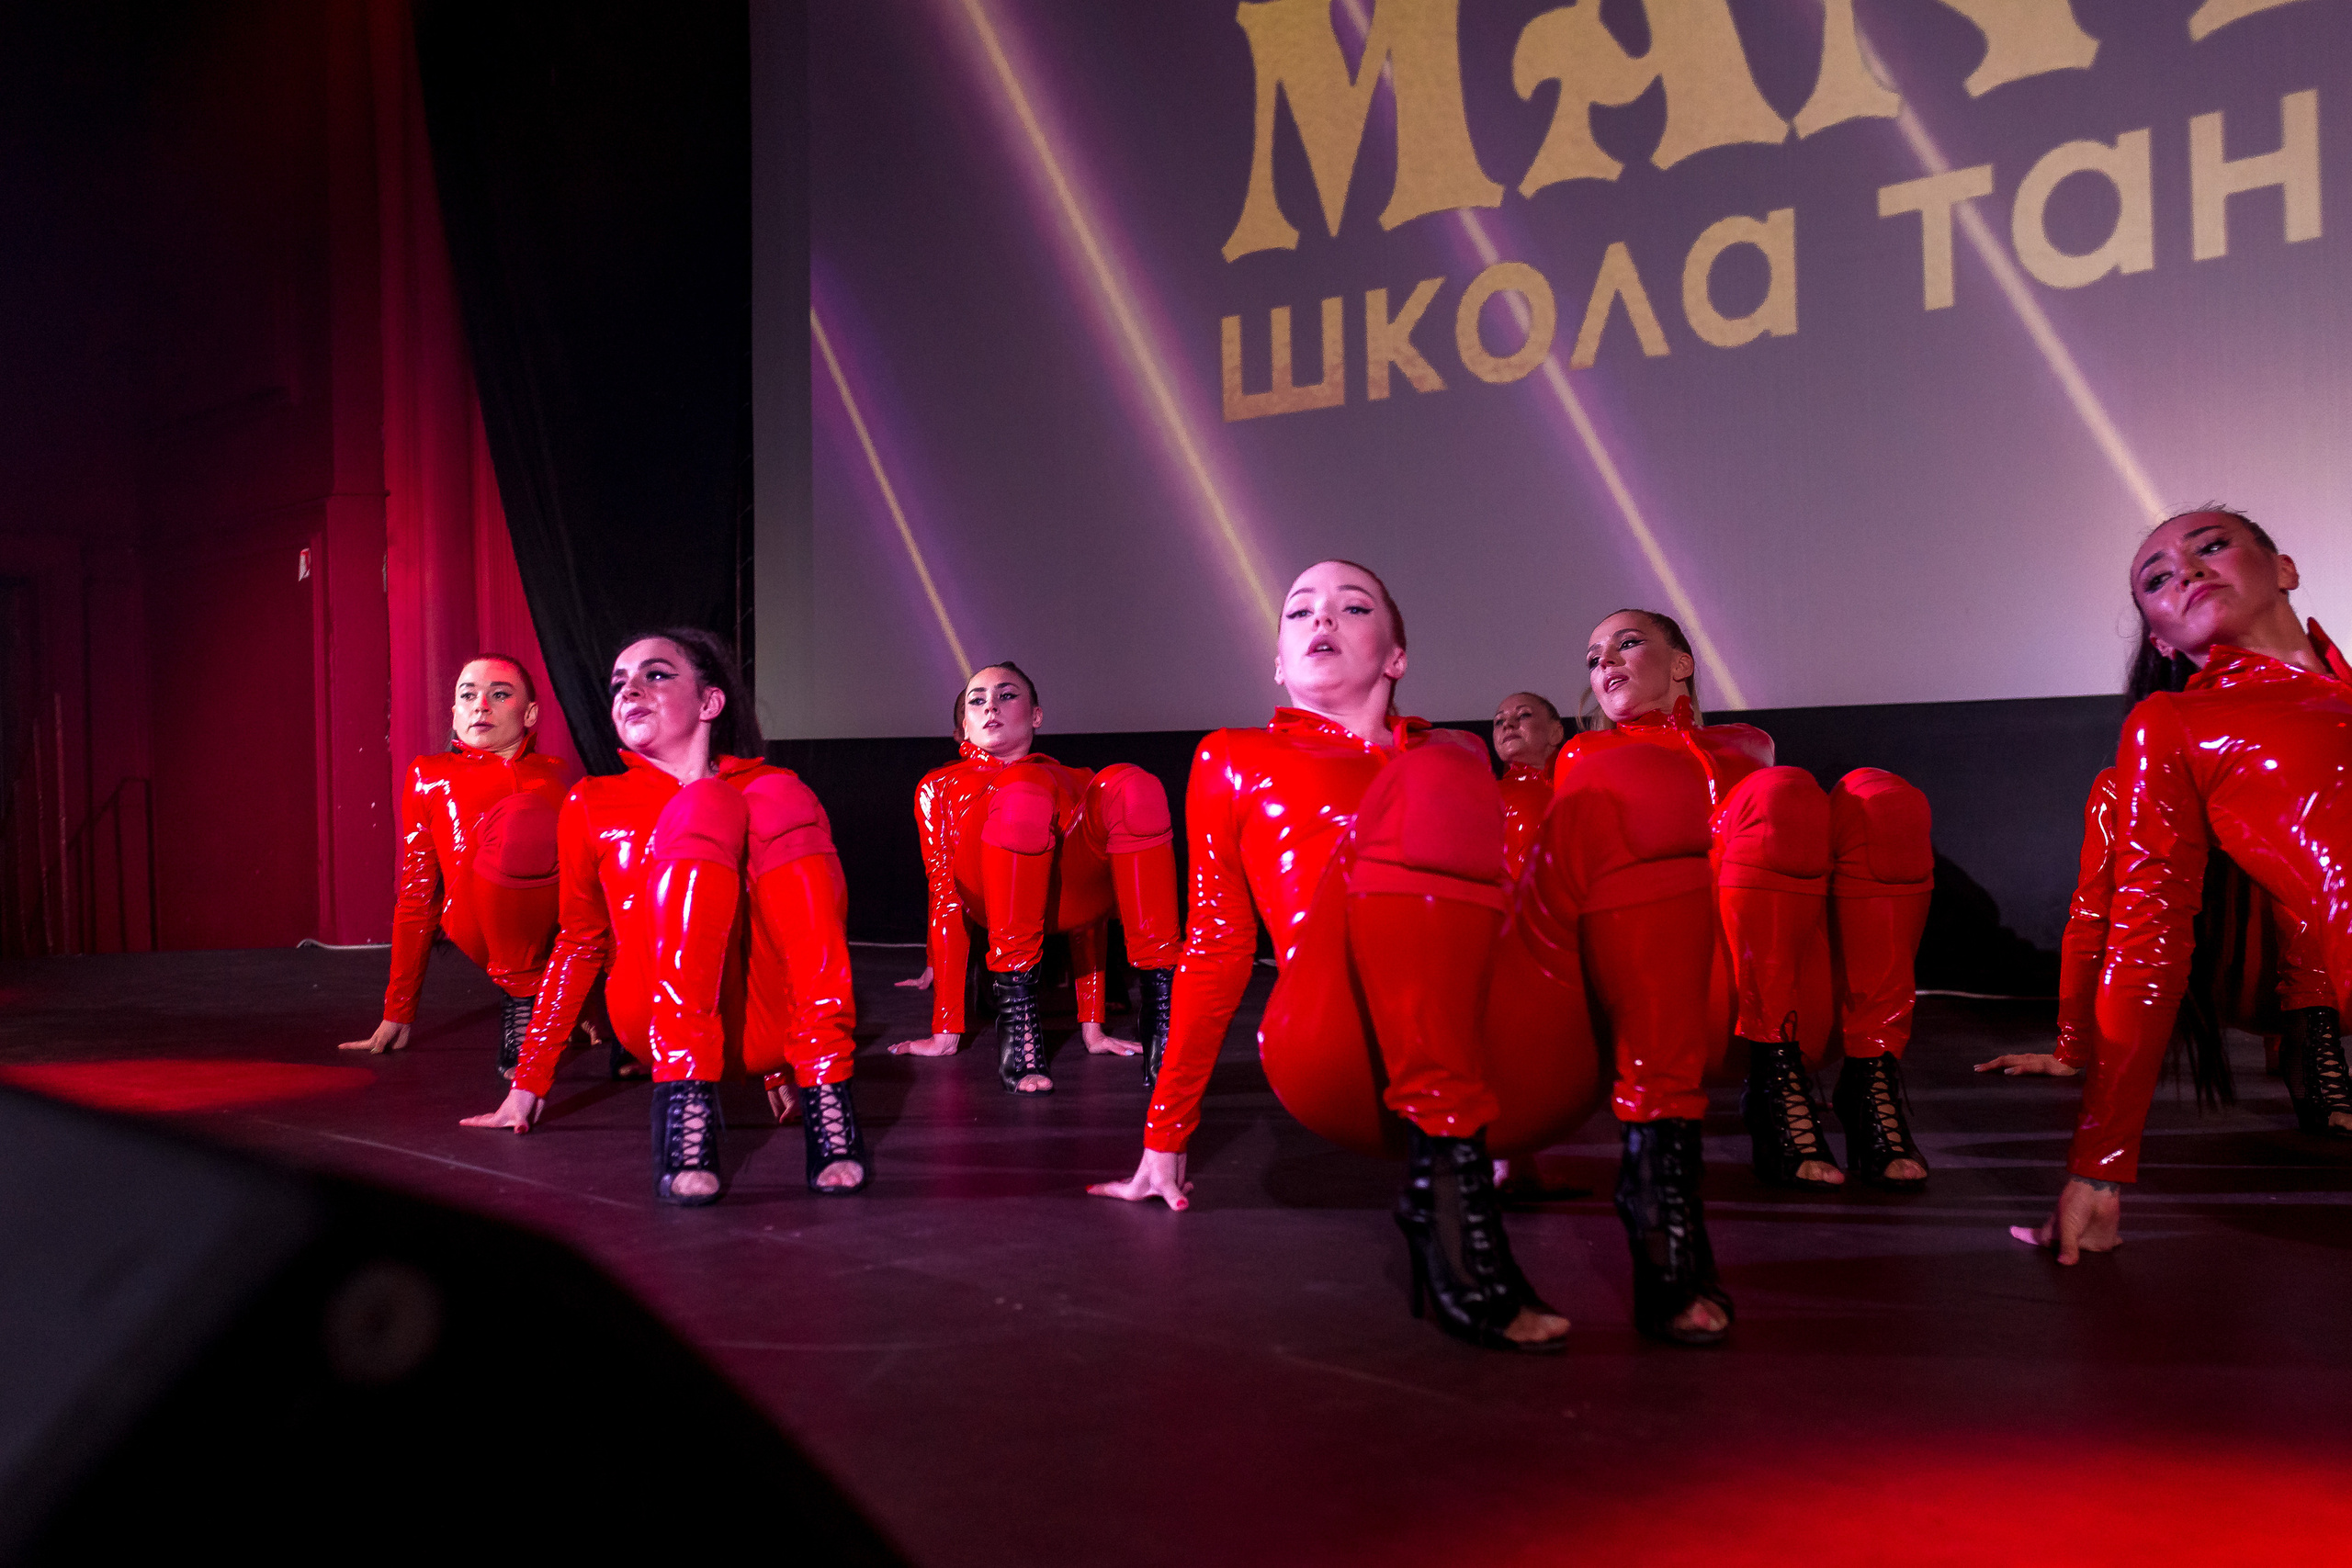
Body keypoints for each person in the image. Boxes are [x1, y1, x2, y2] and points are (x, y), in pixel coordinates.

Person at [1092, 560, 1735, 1350]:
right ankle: (1447, 1200)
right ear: (1279, 663)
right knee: (1430, 778)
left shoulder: (1455, 752)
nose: (1322, 619)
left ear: (1396, 655)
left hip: (1504, 1043)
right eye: (1300, 611)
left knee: (1635, 771)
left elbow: (1507, 907)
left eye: (1353, 606)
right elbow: (1217, 945)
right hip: (1341, 1044)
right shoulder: (1234, 755)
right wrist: (1164, 1134)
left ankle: (1661, 1188)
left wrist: (1526, 1148)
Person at [2020, 509, 2352, 1262]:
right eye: (2159, 578)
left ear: (2286, 569)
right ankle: (2309, 1041)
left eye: (2212, 546)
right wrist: (2098, 1165)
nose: (2189, 571)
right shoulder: (2177, 723)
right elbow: (2144, 934)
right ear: (2162, 639)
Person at [461, 629, 867, 1204]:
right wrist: (526, 1087)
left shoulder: (768, 790)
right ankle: (685, 1114)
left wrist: (777, 1068)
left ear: (710, 702)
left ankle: (828, 1093)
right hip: (653, 1015)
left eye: (655, 675)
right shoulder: (593, 801)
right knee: (705, 803)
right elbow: (580, 942)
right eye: (619, 684)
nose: (630, 691)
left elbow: (796, 929)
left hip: (769, 1019)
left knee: (777, 794)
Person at [1565, 609, 1937, 1190]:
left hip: (1785, 957)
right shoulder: (1585, 754)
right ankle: (1774, 1079)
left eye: (1626, 644)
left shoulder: (1749, 743)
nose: (1604, 661)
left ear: (1681, 665)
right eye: (1593, 659)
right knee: (1780, 790)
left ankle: (1872, 1076)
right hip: (1677, 972)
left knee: (1885, 800)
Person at [886, 663, 1181, 1094]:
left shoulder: (1074, 779)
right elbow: (946, 896)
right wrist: (945, 1030)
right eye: (977, 701)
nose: (991, 707)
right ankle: (1019, 1024)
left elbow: (1090, 916)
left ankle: (1163, 1014)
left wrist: (1094, 1028)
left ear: (1036, 715)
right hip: (984, 890)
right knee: (1022, 786)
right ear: (964, 725)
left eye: (1006, 696)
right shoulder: (941, 785)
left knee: (1131, 784)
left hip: (1066, 895)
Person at [339, 655, 573, 1077]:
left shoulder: (556, 774)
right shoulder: (431, 774)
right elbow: (417, 896)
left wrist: (585, 999)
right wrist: (398, 1011)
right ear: (454, 713)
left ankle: (568, 1000)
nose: (480, 705)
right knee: (518, 829)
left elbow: (581, 886)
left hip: (553, 930)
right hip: (476, 920)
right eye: (468, 696)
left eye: (499, 695)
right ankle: (526, 999)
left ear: (530, 714)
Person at [1492, 691, 1566, 881]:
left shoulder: (1584, 782)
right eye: (1499, 722)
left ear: (1556, 732)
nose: (1507, 725)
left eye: (1523, 715)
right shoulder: (1484, 796)